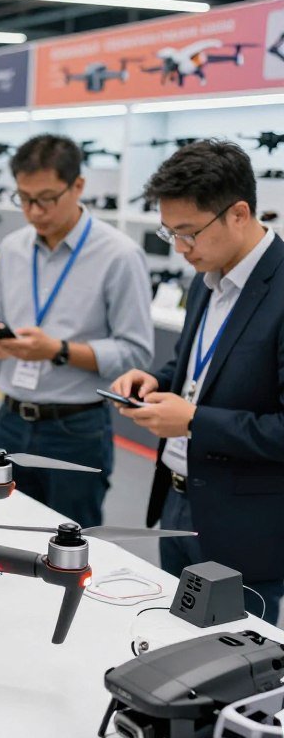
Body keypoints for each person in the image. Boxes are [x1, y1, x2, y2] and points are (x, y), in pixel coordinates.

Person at [110, 140, 284, 625]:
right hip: (178, 502)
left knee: (238, 665)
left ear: (239, 213)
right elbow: (199, 373)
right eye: (171, 234)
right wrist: (155, 379)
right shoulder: (206, 277)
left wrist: (194, 422)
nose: (182, 249)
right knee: (177, 643)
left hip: (244, 525)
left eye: (189, 233)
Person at [0, 134, 153, 527]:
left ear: (78, 187)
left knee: (71, 544)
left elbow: (137, 353)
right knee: (6, 534)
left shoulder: (119, 255)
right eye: (23, 199)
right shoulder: (12, 248)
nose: (34, 211)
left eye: (46, 198)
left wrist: (58, 350)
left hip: (75, 429)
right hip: (10, 418)